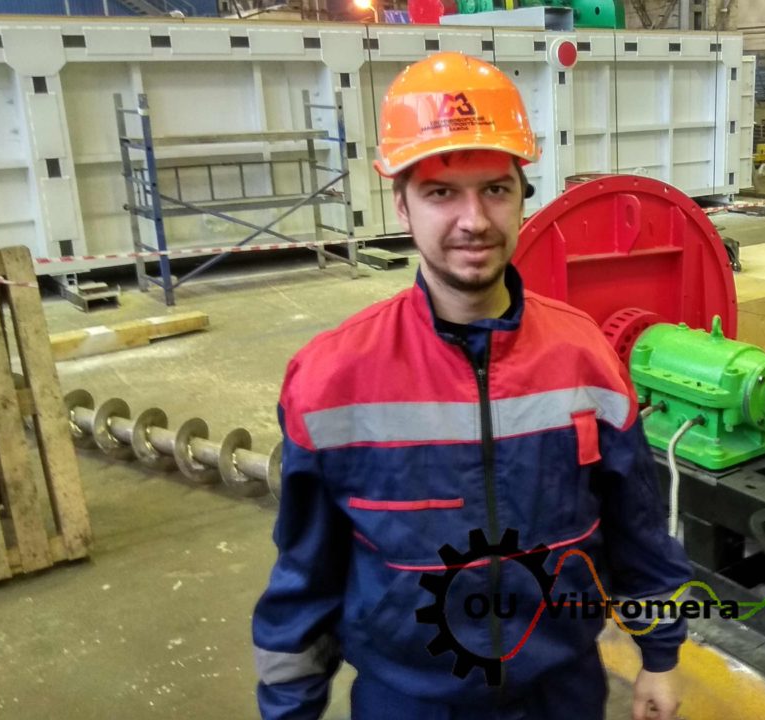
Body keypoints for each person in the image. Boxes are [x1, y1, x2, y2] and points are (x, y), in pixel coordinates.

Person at [251, 52, 692, 720]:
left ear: (521, 196)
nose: (474, 220)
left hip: (562, 694)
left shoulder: (585, 356)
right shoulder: (331, 379)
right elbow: (305, 575)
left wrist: (660, 656)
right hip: (408, 702)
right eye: (440, 193)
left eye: (495, 188)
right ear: (399, 204)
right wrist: (289, 709)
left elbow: (636, 529)